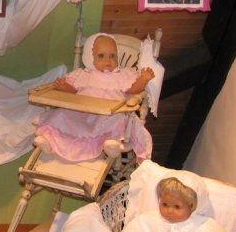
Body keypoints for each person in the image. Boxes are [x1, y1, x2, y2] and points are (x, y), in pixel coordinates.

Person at [33, 33, 155, 162]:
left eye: (112, 56)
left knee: (118, 120)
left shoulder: (121, 76)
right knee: (62, 114)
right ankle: (48, 140)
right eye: (101, 56)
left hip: (109, 115)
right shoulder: (85, 75)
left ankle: (110, 142)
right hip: (82, 113)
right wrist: (65, 87)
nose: (108, 60)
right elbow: (73, 91)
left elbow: (134, 89)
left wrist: (143, 80)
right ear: (91, 58)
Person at [120, 170, 228, 232]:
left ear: (192, 206)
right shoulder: (147, 221)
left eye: (177, 207)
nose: (169, 211)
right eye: (165, 204)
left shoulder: (205, 227)